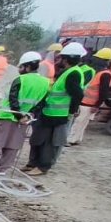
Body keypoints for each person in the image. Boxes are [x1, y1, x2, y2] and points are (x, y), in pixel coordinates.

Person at [23, 41, 87, 176]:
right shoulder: (67, 72)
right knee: (37, 139)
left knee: (49, 143)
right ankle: (33, 163)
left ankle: (42, 167)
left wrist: (71, 111)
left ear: (68, 58)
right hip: (49, 112)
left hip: (58, 115)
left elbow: (78, 94)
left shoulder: (73, 73)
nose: (60, 60)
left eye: (62, 58)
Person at [0, 51, 49, 174]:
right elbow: (41, 103)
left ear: (27, 67)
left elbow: (13, 99)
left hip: (7, 116)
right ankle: (3, 169)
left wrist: (18, 116)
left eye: (21, 67)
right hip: (24, 120)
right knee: (13, 145)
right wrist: (28, 116)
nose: (19, 69)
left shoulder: (20, 79)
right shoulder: (45, 83)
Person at [68, 47, 111, 145]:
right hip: (87, 103)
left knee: (79, 122)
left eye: (98, 59)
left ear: (104, 61)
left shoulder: (105, 74)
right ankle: (77, 139)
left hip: (89, 104)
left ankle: (71, 139)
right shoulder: (101, 73)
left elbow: (104, 92)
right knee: (82, 122)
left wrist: (97, 105)